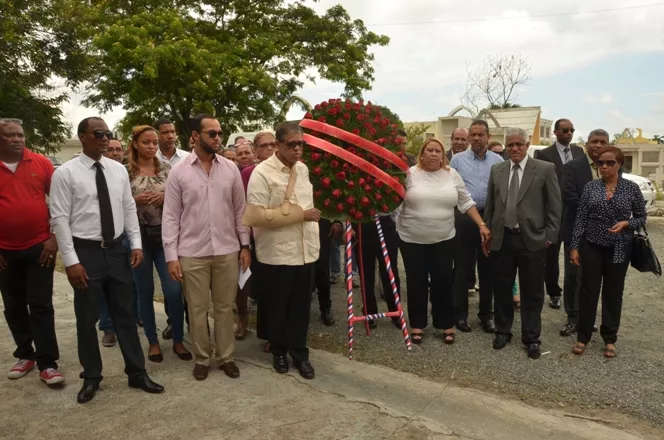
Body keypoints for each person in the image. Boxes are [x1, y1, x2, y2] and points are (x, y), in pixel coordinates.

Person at [50, 117, 164, 404]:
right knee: (87, 318)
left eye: (107, 133)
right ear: (82, 137)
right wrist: (72, 261)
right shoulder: (66, 173)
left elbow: (127, 208)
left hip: (116, 250)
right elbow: (60, 219)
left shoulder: (117, 170)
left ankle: (137, 373)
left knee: (125, 313)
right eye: (98, 133)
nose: (104, 138)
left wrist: (135, 244)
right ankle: (91, 376)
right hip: (85, 251)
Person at [162, 114, 250, 381]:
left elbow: (240, 211)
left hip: (226, 250)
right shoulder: (179, 171)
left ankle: (226, 357)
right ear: (195, 136)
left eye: (220, 133)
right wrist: (171, 256)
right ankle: (202, 358)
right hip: (192, 252)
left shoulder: (230, 169)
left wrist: (244, 245)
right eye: (212, 133)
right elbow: (171, 216)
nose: (217, 138)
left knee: (224, 308)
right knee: (198, 310)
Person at [246, 122, 320, 379]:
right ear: (278, 145)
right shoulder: (262, 173)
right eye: (292, 144)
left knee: (301, 307)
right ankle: (278, 351)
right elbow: (256, 216)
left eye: (301, 144)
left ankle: (300, 354)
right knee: (278, 306)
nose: (298, 149)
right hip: (277, 252)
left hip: (305, 250)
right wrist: (301, 215)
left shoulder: (303, 169)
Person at [397, 139, 489, 344]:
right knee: (416, 282)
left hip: (444, 239)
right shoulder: (409, 174)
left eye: (437, 151)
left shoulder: (451, 175)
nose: (433, 154)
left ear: (442, 155)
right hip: (412, 239)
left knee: (443, 282)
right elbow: (395, 202)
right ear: (421, 153)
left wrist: (481, 224)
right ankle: (418, 325)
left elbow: (466, 202)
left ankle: (445, 323)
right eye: (429, 150)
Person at [483, 127, 561, 360]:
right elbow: (490, 205)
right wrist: (488, 233)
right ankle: (503, 331)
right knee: (503, 287)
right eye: (510, 145)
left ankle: (531, 337)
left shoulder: (545, 169)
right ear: (506, 147)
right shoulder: (497, 170)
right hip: (503, 239)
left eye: (519, 144)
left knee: (533, 291)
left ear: (527, 146)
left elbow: (555, 206)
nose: (514, 148)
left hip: (532, 240)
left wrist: (549, 236)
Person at [0, 118, 63, 386]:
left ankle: (47, 363)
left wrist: (54, 238)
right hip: (4, 252)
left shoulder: (41, 163)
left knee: (41, 305)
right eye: (10, 136)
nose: (17, 139)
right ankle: (26, 354)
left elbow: (60, 204)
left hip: (40, 247)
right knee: (13, 305)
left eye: (20, 135)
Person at [570, 146, 646, 359]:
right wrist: (574, 246)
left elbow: (641, 217)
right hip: (592, 245)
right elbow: (581, 219)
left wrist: (626, 223)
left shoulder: (631, 188)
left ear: (619, 164)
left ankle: (610, 338)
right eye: (600, 163)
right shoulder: (590, 188)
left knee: (613, 293)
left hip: (620, 247)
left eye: (609, 163)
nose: (604, 167)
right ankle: (582, 336)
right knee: (588, 291)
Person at [127, 125, 191, 363]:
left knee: (174, 290)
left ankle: (177, 339)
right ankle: (153, 341)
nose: (152, 147)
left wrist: (166, 196)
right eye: (146, 142)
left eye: (154, 143)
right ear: (135, 144)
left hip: (166, 238)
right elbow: (118, 205)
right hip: (139, 239)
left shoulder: (168, 169)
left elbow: (182, 198)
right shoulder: (125, 172)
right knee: (144, 292)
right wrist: (135, 200)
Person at [450, 120, 503, 334]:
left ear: (488, 137)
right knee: (462, 269)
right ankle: (460, 315)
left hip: (489, 219)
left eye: (480, 134)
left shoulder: (498, 160)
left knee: (488, 269)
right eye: (473, 134)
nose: (476, 138)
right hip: (464, 219)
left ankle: (486, 315)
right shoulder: (457, 160)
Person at [559, 129, 608, 336]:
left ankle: (587, 318)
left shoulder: (613, 166)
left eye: (602, 142)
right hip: (576, 231)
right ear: (586, 143)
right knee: (573, 276)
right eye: (594, 141)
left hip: (604, 233)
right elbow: (568, 196)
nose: (597, 145)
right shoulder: (573, 167)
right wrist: (596, 211)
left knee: (592, 277)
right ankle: (572, 317)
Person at [534, 119, 584, 310]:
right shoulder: (544, 154)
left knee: (575, 256)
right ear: (555, 132)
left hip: (574, 213)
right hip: (553, 214)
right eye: (565, 130)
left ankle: (575, 298)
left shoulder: (579, 152)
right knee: (551, 258)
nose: (569, 133)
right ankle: (554, 293)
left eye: (572, 130)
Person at [99, 138, 141, 348]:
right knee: (106, 285)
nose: (115, 152)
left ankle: (131, 320)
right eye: (111, 149)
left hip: (129, 233)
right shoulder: (98, 173)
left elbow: (128, 205)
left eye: (118, 149)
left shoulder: (125, 171)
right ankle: (108, 327)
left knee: (131, 281)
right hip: (107, 237)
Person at [238, 131, 277, 346]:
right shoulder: (248, 173)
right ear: (256, 150)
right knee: (261, 287)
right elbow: (245, 207)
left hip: (280, 236)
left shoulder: (287, 170)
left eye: (273, 144)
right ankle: (265, 333)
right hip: (257, 236)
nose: (270, 149)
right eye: (264, 146)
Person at [154, 118, 189, 340]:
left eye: (172, 132)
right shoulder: (150, 158)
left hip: (188, 227)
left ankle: (196, 323)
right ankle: (172, 321)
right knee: (172, 281)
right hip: (161, 226)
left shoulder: (187, 158)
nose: (170, 135)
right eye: (165, 132)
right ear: (157, 134)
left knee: (192, 281)